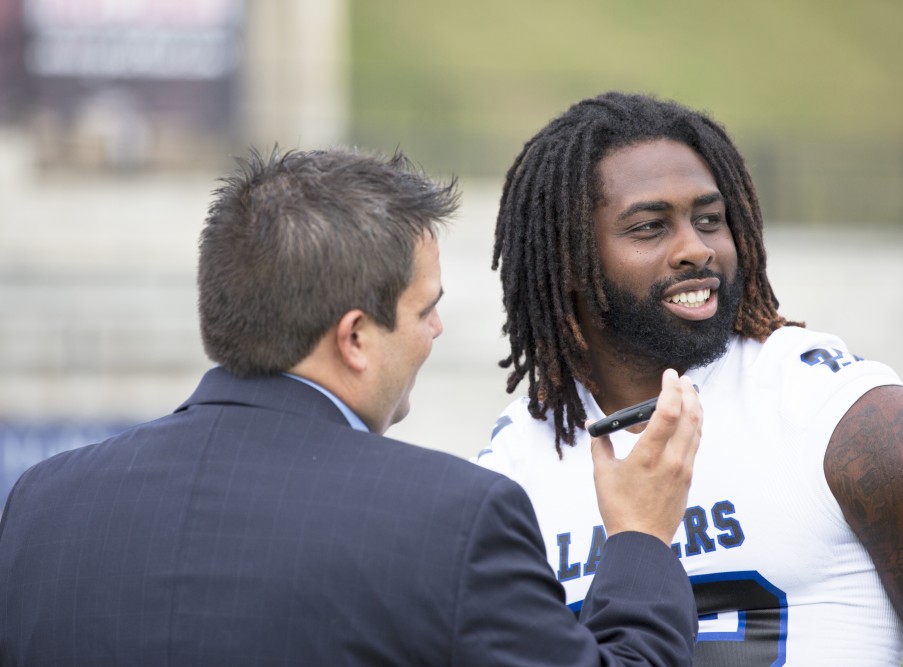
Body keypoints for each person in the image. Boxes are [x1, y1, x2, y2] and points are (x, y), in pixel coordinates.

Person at [0, 146, 702, 665]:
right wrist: (640, 538)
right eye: (426, 309)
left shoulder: (40, 505)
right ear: (356, 337)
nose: (436, 331)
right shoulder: (452, 521)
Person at [478, 92, 903, 666]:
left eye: (709, 219)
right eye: (651, 227)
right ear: (569, 259)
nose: (695, 249)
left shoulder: (847, 422)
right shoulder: (511, 471)